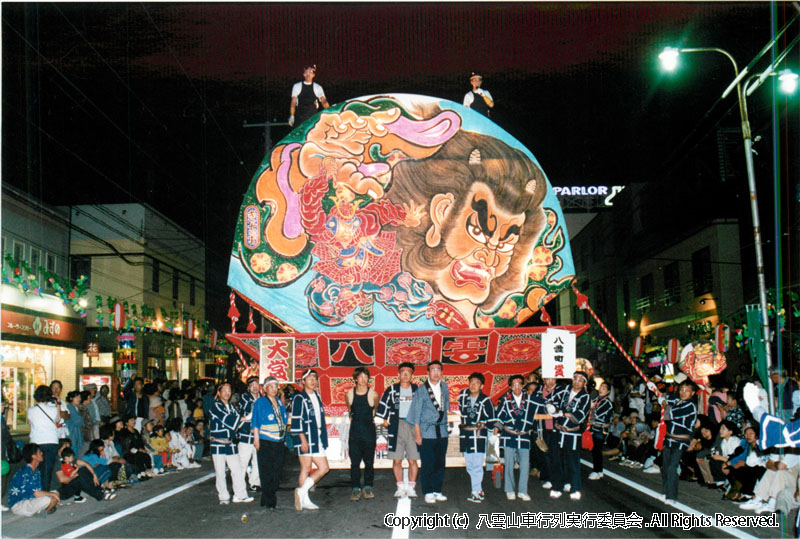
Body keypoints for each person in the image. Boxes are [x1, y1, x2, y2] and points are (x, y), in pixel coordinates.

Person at [406, 360, 449, 505]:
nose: (436, 372)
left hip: (442, 431)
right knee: (428, 463)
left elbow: (446, 407)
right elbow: (415, 414)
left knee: (440, 463)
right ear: (428, 372)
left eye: (438, 369)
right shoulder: (421, 390)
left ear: (442, 372)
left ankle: (437, 490)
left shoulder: (444, 387)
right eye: (433, 369)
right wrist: (417, 433)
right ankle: (428, 491)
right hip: (426, 431)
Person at [376, 362, 420, 499]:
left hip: (413, 426)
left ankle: (411, 487)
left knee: (413, 459)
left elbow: (424, 409)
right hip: (396, 426)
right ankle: (400, 487)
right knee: (396, 460)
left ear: (412, 375)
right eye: (403, 371)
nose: (405, 374)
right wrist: (384, 422)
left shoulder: (417, 390)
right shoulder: (392, 390)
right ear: (398, 374)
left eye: (408, 372)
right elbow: (381, 410)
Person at [547, 370, 591, 501]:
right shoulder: (564, 390)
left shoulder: (585, 397)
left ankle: (575, 488)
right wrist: (551, 408)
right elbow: (551, 400)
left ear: (584, 383)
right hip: (558, 431)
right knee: (557, 461)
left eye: (580, 380)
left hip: (572, 434)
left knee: (573, 462)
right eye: (575, 378)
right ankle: (557, 487)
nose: (576, 381)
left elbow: (579, 416)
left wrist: (561, 413)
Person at [495, 374, 540, 501]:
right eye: (513, 384)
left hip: (524, 436)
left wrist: (552, 408)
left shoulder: (530, 399)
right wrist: (496, 427)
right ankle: (509, 489)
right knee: (508, 463)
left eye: (519, 384)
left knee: (525, 464)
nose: (517, 387)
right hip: (509, 435)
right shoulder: (505, 400)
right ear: (510, 387)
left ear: (523, 385)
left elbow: (544, 404)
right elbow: (500, 416)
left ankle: (522, 491)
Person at [290, 369, 330, 511]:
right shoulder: (299, 398)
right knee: (306, 469)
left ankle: (301, 492)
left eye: (314, 378)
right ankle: (304, 499)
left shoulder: (317, 396)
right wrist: (302, 439)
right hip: (305, 437)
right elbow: (296, 420)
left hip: (316, 437)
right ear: (303, 382)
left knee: (324, 468)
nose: (313, 381)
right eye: (309, 378)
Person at [209, 383, 253, 505]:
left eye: (229, 390)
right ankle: (223, 497)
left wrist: (250, 420)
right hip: (218, 443)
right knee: (220, 471)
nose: (227, 393)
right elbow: (229, 420)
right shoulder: (216, 406)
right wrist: (245, 418)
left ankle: (241, 495)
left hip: (231, 443)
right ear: (219, 392)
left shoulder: (232, 407)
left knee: (237, 470)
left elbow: (239, 422)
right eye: (225, 390)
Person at [251, 376, 288, 510]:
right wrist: (256, 439)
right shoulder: (260, 402)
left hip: (278, 441)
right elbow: (255, 421)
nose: (274, 389)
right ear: (265, 389)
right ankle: (270, 502)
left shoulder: (279, 401)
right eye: (271, 386)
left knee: (276, 472)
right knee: (266, 471)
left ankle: (265, 498)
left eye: (276, 386)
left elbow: (284, 417)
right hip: (265, 440)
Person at [659, 379, 698, 505]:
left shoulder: (690, 405)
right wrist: (658, 392)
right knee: (665, 466)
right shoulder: (679, 400)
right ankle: (666, 492)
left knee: (672, 467)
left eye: (687, 391)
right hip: (669, 438)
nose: (683, 392)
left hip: (681, 440)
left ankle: (672, 496)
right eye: (681, 389)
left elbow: (670, 413)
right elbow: (668, 398)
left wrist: (664, 403)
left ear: (692, 393)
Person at [458, 372, 494, 503]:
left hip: (479, 436)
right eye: (471, 382)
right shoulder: (463, 397)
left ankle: (476, 492)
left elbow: (492, 419)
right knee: (469, 465)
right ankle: (478, 490)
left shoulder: (486, 400)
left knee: (477, 465)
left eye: (477, 383)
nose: (473, 385)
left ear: (482, 385)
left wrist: (484, 424)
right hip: (466, 435)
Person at [345, 367, 379, 501]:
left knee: (369, 462)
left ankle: (368, 486)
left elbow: (375, 410)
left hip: (369, 433)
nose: (363, 379)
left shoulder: (374, 394)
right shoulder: (349, 394)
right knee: (354, 463)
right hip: (354, 434)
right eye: (360, 376)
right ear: (355, 379)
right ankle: (355, 488)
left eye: (366, 376)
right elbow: (349, 410)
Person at [8, 444, 60, 517]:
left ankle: (42, 510)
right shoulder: (26, 472)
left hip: (30, 500)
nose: (42, 453)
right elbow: (37, 493)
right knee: (47, 499)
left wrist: (53, 494)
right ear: (34, 456)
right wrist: (51, 495)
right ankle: (44, 510)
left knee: (55, 493)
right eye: (39, 452)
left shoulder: (36, 471)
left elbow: (37, 492)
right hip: (19, 505)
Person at [27, 385, 61, 491]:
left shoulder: (31, 410)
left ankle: (35, 492)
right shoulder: (53, 409)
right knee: (47, 470)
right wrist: (58, 405)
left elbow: (30, 422)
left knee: (36, 469)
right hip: (51, 441)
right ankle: (45, 494)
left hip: (36, 442)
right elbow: (58, 420)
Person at [536, 376, 563, 490]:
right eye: (548, 379)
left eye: (553, 379)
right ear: (544, 380)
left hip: (556, 428)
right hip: (542, 427)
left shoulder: (561, 391)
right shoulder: (538, 391)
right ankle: (548, 478)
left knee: (557, 455)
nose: (550, 382)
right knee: (545, 453)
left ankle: (559, 480)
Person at [238, 376, 261, 493]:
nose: (255, 387)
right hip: (246, 434)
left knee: (258, 461)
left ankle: (254, 482)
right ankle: (239, 485)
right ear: (248, 387)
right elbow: (249, 411)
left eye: (257, 384)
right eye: (253, 385)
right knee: (243, 461)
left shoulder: (263, 398)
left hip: (260, 435)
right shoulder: (244, 397)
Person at [588, 381, 614, 480]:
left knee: (597, 450)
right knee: (595, 450)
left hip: (601, 430)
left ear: (608, 391)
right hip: (595, 428)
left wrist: (590, 420)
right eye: (601, 387)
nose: (601, 389)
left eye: (604, 388)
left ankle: (597, 471)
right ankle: (599, 471)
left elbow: (598, 417)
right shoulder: (597, 399)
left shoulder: (606, 403)